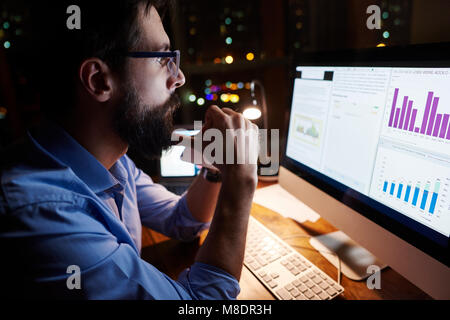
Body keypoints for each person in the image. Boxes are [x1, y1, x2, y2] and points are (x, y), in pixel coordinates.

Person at [0, 0, 258, 299]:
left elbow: (182, 220)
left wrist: (218, 169)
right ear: (98, 80)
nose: (179, 77)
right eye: (163, 59)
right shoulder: (44, 216)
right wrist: (241, 179)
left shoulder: (110, 163)